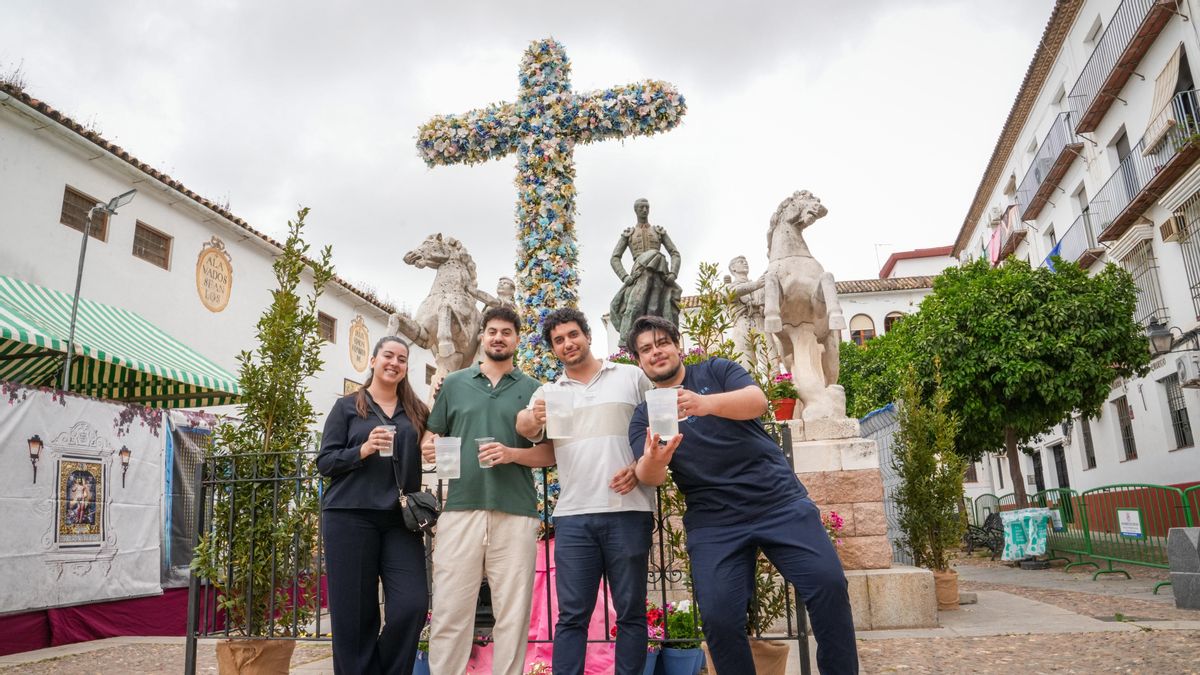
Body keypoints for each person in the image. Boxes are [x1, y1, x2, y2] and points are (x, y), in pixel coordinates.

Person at [625, 315, 859, 674]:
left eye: (661, 343)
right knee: (718, 618)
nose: (656, 352)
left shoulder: (716, 371)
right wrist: (656, 458)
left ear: (678, 345)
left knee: (828, 585)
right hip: (714, 521)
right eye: (645, 350)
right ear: (638, 361)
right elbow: (649, 476)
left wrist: (704, 404)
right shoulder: (644, 415)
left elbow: (757, 401)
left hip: (778, 501)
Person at [514, 308, 654, 675]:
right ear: (553, 350)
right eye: (558, 340)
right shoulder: (549, 392)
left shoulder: (632, 377)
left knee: (631, 613)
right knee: (571, 616)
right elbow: (528, 430)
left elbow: (659, 431)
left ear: (588, 336)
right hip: (574, 517)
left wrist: (641, 470)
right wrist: (531, 419)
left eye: (573, 335)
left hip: (629, 510)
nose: (567, 343)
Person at [421, 306, 556, 675]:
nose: (499, 337)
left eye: (507, 332)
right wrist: (428, 445)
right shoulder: (453, 384)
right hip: (459, 510)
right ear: (482, 336)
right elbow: (432, 437)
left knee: (512, 616)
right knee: (450, 611)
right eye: (492, 331)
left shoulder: (534, 390)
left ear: (516, 340)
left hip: (517, 512)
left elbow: (549, 454)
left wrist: (512, 453)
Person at [317, 336, 430, 675]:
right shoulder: (348, 407)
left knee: (412, 604)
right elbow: (325, 462)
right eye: (388, 356)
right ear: (373, 360)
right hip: (349, 517)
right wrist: (362, 450)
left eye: (402, 359)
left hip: (399, 520)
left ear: (406, 367)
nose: (394, 363)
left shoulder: (417, 412)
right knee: (355, 615)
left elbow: (434, 441)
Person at [609, 198, 683, 341]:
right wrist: (624, 277)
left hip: (659, 274)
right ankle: (627, 341)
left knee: (655, 309)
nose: (644, 210)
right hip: (639, 274)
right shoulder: (629, 233)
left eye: (646, 207)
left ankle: (659, 338)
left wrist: (673, 273)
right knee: (635, 306)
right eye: (641, 207)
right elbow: (615, 258)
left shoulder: (658, 231)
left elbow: (675, 253)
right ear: (635, 210)